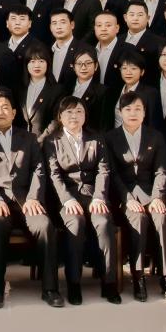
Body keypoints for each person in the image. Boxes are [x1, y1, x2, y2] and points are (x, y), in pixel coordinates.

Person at [0, 91, 61, 308]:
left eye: (5, 107)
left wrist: (33, 198)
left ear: (14, 113)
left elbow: (39, 169)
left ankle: (50, 289)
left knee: (44, 226)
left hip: (26, 200)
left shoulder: (29, 138)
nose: (0, 112)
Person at [105, 92, 166, 302]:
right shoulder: (110, 138)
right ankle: (138, 278)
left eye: (138, 109)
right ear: (120, 112)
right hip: (125, 195)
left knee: (162, 217)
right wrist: (127, 198)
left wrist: (157, 197)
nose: (133, 113)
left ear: (145, 112)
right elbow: (112, 173)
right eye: (128, 109)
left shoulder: (155, 136)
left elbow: (161, 170)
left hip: (151, 192)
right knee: (138, 219)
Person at [46, 97, 120, 305]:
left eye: (79, 111)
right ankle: (74, 284)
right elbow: (54, 174)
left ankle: (109, 282)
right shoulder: (52, 141)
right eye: (69, 112)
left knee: (103, 223)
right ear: (60, 117)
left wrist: (99, 196)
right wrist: (67, 200)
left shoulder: (96, 138)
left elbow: (103, 170)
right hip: (67, 197)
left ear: (85, 115)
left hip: (93, 194)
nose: (74, 116)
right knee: (75, 224)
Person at [17, 46, 62, 141]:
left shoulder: (57, 90)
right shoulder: (20, 89)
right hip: (22, 142)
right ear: (26, 65)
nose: (37, 65)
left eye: (41, 61)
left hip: (46, 142)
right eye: (32, 61)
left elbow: (57, 119)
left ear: (48, 64)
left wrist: (42, 138)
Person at [48, 8, 93, 90]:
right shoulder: (47, 50)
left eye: (63, 22)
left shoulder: (85, 50)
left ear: (72, 25)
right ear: (50, 27)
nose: (58, 27)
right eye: (54, 23)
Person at [69, 48, 105, 118]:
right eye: (79, 63)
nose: (83, 67)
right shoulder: (65, 88)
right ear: (73, 67)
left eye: (88, 63)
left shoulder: (103, 92)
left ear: (96, 66)